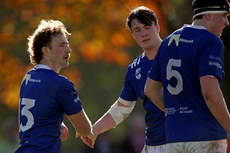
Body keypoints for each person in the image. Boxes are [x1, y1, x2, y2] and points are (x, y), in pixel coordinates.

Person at [145, 0, 230, 152]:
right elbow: (210, 92)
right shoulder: (211, 41)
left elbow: (150, 89)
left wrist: (176, 111)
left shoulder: (167, 43)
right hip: (206, 138)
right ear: (209, 15)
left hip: (173, 141)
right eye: (224, 15)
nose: (227, 22)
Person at [81, 6, 166, 153]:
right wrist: (94, 130)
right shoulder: (134, 69)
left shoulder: (179, 51)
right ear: (132, 34)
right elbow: (121, 109)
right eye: (138, 30)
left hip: (190, 136)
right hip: (156, 141)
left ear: (157, 27)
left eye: (147, 27)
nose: (144, 33)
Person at [14, 19, 92, 153]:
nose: (68, 49)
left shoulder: (28, 77)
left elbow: (37, 113)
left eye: (67, 44)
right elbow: (84, 129)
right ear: (45, 50)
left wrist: (57, 124)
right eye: (62, 45)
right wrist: (87, 132)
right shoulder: (60, 84)